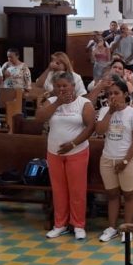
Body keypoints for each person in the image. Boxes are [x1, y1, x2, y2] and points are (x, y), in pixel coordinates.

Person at [37, 72, 94, 240]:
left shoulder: (84, 103)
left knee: (77, 190)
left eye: (65, 86)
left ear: (73, 86)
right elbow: (39, 117)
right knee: (59, 190)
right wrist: (58, 103)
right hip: (54, 153)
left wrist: (73, 143)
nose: (61, 89)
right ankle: (59, 224)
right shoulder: (52, 102)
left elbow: (90, 126)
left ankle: (78, 225)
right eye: (58, 86)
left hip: (77, 151)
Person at [95, 77, 133, 243]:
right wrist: (110, 112)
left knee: (129, 195)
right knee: (112, 194)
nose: (112, 97)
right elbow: (100, 130)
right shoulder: (104, 111)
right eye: (110, 94)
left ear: (125, 94)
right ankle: (112, 227)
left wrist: (124, 161)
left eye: (116, 93)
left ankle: (127, 228)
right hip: (108, 159)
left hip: (127, 160)